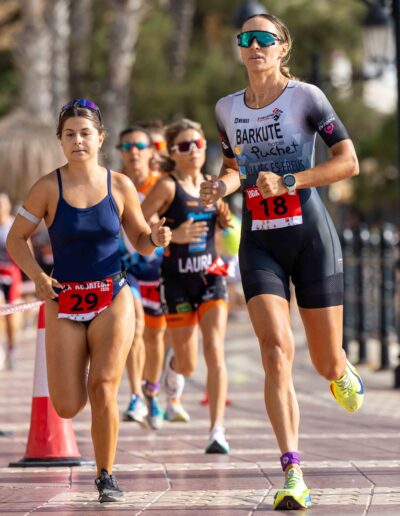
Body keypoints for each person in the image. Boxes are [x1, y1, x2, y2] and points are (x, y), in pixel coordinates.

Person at [199, 14, 364, 510]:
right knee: (274, 350)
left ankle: (340, 369)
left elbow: (348, 162)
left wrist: (290, 181)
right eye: (246, 39)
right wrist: (220, 185)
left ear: (282, 47)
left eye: (265, 39)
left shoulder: (306, 97)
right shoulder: (227, 108)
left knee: (324, 361)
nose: (255, 46)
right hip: (260, 244)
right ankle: (293, 471)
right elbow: (234, 168)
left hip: (310, 237)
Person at [6, 99, 171, 503]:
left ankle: (106, 475)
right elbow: (15, 239)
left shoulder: (120, 185)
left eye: (85, 133)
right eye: (69, 134)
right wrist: (39, 277)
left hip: (113, 296)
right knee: (66, 405)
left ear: (100, 139)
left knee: (103, 387)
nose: (77, 140)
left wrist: (155, 238)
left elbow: (140, 240)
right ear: (60, 141)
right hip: (63, 300)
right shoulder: (48, 187)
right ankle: (79, 361)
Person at [141, 118, 231, 454]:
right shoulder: (167, 186)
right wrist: (168, 234)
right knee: (189, 363)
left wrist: (225, 221)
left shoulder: (213, 186)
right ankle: (173, 371)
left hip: (211, 277)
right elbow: (138, 218)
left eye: (198, 144)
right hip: (176, 281)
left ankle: (217, 430)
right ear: (173, 153)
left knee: (215, 349)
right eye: (184, 146)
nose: (193, 150)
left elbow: (225, 229)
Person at [117, 125, 171, 429]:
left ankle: (152, 390)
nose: (133, 153)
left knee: (154, 336)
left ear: (151, 152)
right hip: (126, 269)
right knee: (135, 327)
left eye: (139, 146)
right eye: (126, 147)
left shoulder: (162, 185)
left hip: (158, 270)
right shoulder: (114, 184)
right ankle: (136, 395)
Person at [0, 192, 22, 370]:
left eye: (2, 205)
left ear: (8, 207)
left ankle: (12, 348)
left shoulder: (13, 225)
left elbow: (26, 249)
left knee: (11, 316)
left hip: (12, 274)